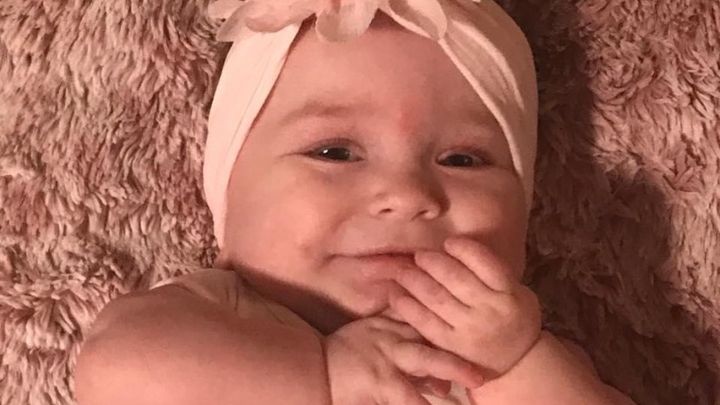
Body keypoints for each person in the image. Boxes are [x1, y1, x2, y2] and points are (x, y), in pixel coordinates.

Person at [74, 0, 635, 404]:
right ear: (228, 192)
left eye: (462, 159)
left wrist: (516, 364)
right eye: (334, 152)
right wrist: (325, 376)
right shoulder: (221, 312)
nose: (406, 196)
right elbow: (120, 368)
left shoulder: (502, 365)